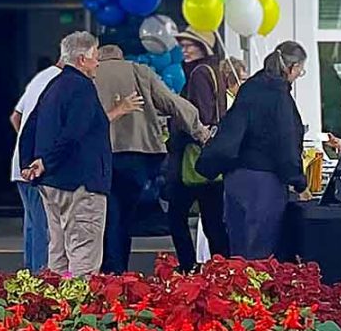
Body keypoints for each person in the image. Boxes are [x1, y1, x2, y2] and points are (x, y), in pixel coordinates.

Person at [95, 45, 205, 274]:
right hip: (139, 155)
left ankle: (110, 271)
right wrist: (199, 130)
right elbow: (173, 103)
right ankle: (118, 271)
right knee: (124, 215)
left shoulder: (91, 73)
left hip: (101, 156)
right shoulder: (138, 71)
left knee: (108, 216)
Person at [199, 41, 310, 260]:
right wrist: (299, 182)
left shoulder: (248, 89)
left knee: (238, 254)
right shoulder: (279, 96)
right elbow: (286, 143)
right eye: (300, 70)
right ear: (292, 67)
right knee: (261, 256)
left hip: (235, 178)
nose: (298, 75)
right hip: (264, 183)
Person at [17, 31, 115, 276]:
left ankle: (55, 309)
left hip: (52, 184)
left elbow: (29, 127)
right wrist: (46, 162)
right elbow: (74, 132)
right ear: (82, 59)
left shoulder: (53, 86)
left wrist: (30, 163)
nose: (98, 62)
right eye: (95, 56)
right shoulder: (83, 88)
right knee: (84, 252)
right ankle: (78, 310)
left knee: (58, 254)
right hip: (80, 184)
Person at [163, 28, 233, 270]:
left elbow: (199, 117)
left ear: (204, 47)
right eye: (182, 44)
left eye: (190, 44)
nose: (184, 49)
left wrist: (177, 129)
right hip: (213, 159)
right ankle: (222, 271)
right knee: (213, 221)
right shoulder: (215, 72)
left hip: (193, 158)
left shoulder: (198, 74)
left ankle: (188, 266)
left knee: (176, 216)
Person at [9, 59, 61, 273]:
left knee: (33, 223)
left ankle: (30, 273)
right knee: (43, 225)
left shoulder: (40, 78)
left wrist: (26, 143)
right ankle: (40, 274)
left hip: (23, 164)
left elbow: (16, 117)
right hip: (36, 167)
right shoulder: (60, 82)